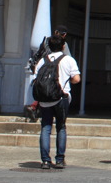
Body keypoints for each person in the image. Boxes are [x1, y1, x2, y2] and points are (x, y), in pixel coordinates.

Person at [33, 33, 80, 170]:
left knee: (45, 128)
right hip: (61, 98)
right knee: (61, 127)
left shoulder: (42, 61)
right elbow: (76, 79)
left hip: (44, 100)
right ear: (63, 45)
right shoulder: (68, 60)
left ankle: (45, 161)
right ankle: (59, 159)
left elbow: (36, 80)